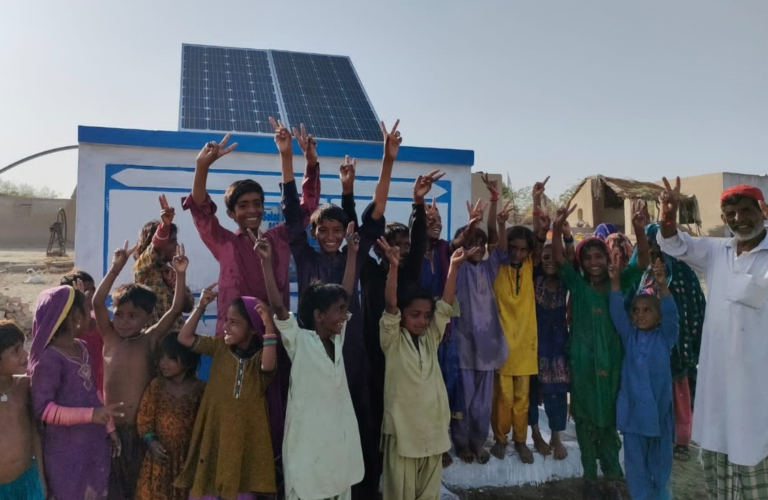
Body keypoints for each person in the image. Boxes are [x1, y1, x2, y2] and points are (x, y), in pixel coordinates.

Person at [183, 122, 320, 471]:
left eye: (257, 203)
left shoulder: (280, 237)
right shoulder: (224, 242)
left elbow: (304, 206)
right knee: (232, 412)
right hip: (232, 349)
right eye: (242, 205)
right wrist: (202, 167)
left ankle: (269, 474)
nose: (251, 210)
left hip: (274, 341)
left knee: (273, 412)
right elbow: (200, 210)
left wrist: (296, 159)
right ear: (231, 213)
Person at [285, 121, 398, 498]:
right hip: (310, 355)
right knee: (312, 420)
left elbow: (377, 208)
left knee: (356, 419)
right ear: (314, 233)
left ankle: (359, 489)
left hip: (350, 353)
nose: (331, 237)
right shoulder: (303, 257)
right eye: (323, 231)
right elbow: (290, 211)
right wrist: (289, 157)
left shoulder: (356, 249)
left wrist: (388, 159)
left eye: (337, 230)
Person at [657, 179, 768, 500]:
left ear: (762, 211)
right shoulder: (717, 251)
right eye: (729, 213)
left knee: (754, 445)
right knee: (720, 441)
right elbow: (674, 244)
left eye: (745, 210)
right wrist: (668, 214)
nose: (737, 218)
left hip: (758, 384)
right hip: (719, 378)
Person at [552, 201, 650, 500]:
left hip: (614, 362)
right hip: (582, 363)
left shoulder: (620, 283)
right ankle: (589, 477)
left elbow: (642, 262)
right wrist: (556, 229)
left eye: (599, 256)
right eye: (588, 258)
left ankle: (613, 475)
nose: (594, 262)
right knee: (584, 418)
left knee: (609, 418)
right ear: (581, 264)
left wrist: (640, 231)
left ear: (608, 257)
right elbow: (558, 259)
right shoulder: (577, 286)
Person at [258, 222, 363, 500]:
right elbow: (279, 307)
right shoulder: (299, 341)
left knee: (338, 483)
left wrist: (352, 254)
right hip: (307, 440)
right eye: (338, 311)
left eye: (344, 311)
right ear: (318, 315)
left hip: (337, 440)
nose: (344, 315)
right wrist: (266, 263)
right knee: (307, 487)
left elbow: (347, 293)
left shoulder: (337, 340)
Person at [360, 169, 441, 482]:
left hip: (404, 358)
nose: (403, 250)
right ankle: (373, 477)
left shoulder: (409, 274)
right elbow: (366, 232)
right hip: (372, 355)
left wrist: (417, 204)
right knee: (374, 417)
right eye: (396, 244)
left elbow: (420, 240)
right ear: (379, 246)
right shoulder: (368, 271)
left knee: (402, 415)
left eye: (406, 245)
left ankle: (404, 472)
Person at [93, 241, 188, 500]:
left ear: (148, 318)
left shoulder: (150, 339)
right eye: (119, 314)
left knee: (142, 490)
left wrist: (180, 274)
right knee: (113, 490)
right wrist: (115, 269)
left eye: (133, 316)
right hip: (110, 431)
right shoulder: (110, 338)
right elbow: (97, 301)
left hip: (142, 433)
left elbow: (176, 308)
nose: (123, 321)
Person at [378, 238, 464, 500]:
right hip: (403, 433)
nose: (422, 320)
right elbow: (390, 305)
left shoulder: (431, 338)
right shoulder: (391, 339)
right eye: (415, 314)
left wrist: (453, 267)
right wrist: (393, 268)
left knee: (428, 494)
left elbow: (445, 305)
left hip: (432, 430)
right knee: (399, 494)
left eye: (426, 315)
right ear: (402, 315)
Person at [175, 283, 278, 500]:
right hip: (216, 427)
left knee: (242, 483)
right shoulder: (219, 347)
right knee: (209, 478)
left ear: (252, 329)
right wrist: (201, 306)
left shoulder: (260, 358)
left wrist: (269, 326)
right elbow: (184, 338)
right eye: (225, 321)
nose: (226, 327)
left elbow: (268, 366)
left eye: (234, 322)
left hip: (246, 433)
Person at [29, 286, 124, 500]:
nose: (90, 313)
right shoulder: (49, 360)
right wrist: (90, 415)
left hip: (94, 444)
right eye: (86, 308)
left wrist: (109, 428)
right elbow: (43, 409)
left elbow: (93, 392)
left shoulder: (83, 347)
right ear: (74, 317)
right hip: (66, 450)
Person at [629, 222, 706, 462]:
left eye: (661, 244)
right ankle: (655, 434)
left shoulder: (683, 272)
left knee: (679, 391)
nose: (657, 250)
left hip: (677, 346)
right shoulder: (643, 273)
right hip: (647, 350)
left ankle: (682, 440)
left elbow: (696, 308)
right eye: (653, 244)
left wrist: (692, 342)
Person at [449, 177, 510, 465]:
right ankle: (461, 443)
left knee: (482, 404)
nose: (478, 248)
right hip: (463, 347)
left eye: (481, 244)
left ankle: (478, 442)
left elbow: (501, 247)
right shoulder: (457, 269)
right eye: (472, 243)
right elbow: (456, 247)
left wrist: (496, 207)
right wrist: (471, 225)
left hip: (486, 350)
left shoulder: (489, 268)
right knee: (462, 400)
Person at [489, 176, 549, 464]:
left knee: (523, 397)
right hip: (501, 341)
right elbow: (495, 236)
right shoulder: (498, 266)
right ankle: (500, 439)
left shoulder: (529, 264)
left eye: (523, 249)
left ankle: (521, 440)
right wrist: (498, 216)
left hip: (526, 342)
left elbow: (539, 236)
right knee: (502, 396)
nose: (517, 253)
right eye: (513, 248)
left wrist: (537, 201)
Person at [610, 256, 679, 500]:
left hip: (659, 417)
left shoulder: (665, 337)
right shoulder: (630, 338)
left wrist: (662, 287)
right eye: (636, 311)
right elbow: (618, 314)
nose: (640, 315)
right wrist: (616, 285)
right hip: (633, 418)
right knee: (636, 468)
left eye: (647, 310)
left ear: (658, 316)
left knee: (660, 468)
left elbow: (673, 318)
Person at [135, 333, 205, 500]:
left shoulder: (201, 391)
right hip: (159, 461)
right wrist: (151, 442)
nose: (163, 363)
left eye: (171, 358)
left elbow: (206, 426)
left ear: (188, 359)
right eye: (161, 358)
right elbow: (145, 419)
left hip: (188, 463)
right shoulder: (157, 386)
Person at [529, 222, 572, 462]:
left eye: (553, 257)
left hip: (556, 345)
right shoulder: (534, 277)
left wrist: (564, 236)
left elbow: (572, 260)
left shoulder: (566, 280)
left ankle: (556, 435)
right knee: (531, 390)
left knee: (557, 392)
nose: (549, 261)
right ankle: (535, 433)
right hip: (533, 343)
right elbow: (535, 253)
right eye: (545, 257)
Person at [133, 194, 195, 327]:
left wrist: (175, 282)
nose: (177, 245)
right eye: (172, 241)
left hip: (175, 341)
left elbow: (188, 306)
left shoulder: (171, 272)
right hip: (153, 343)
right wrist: (165, 226)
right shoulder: (143, 270)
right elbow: (155, 247)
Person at [0, 320, 46, 499]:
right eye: (16, 350)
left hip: (27, 481)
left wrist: (41, 477)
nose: (25, 354)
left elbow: (35, 432)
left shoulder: (25, 387)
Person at [60, 270, 105, 394]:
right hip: (76, 388)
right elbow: (79, 329)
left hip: (99, 386)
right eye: (84, 291)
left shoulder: (99, 320)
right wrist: (81, 304)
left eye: (92, 289)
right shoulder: (61, 325)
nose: (90, 294)